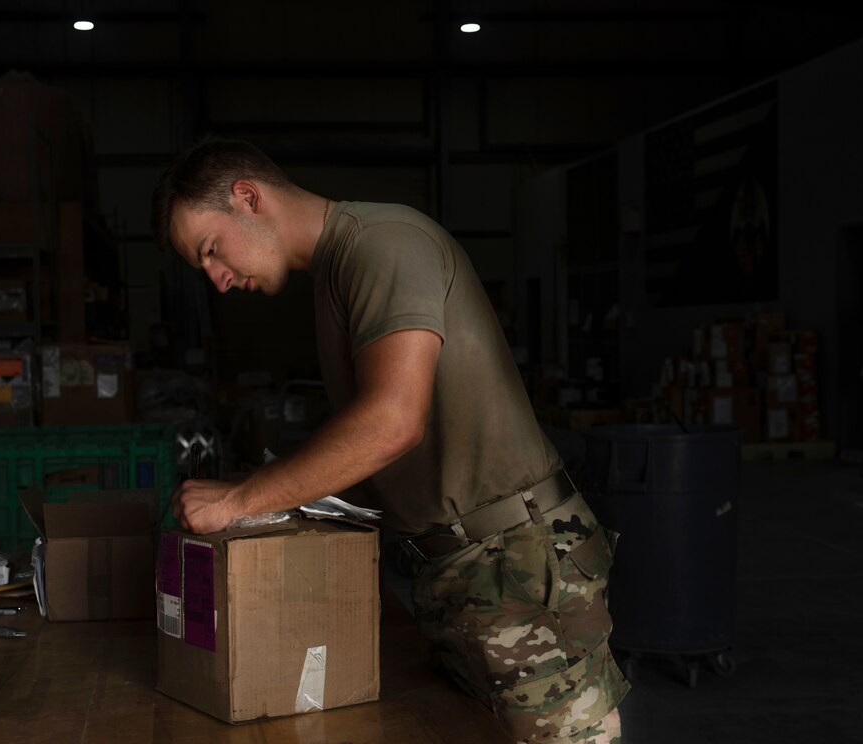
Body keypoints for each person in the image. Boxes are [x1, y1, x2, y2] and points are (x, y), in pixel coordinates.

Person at [151, 138, 629, 743]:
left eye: (211, 250)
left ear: (248, 198)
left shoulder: (383, 245)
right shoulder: (335, 273)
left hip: (518, 563)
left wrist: (241, 502)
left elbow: (391, 424)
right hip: (460, 570)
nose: (217, 280)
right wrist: (257, 489)